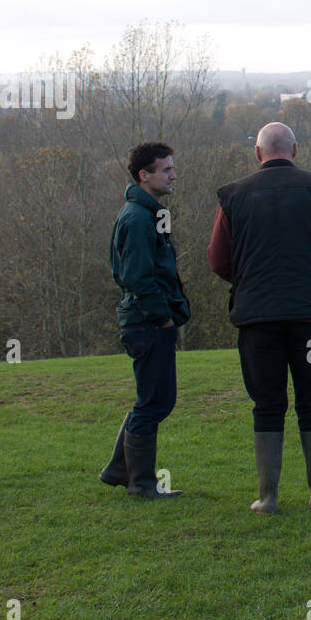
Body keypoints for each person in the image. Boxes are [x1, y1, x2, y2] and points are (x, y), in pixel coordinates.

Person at [208, 122, 311, 513]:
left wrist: (252, 281)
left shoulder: (233, 196)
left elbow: (219, 260)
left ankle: (268, 497)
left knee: (267, 403)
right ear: (295, 149)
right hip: (309, 320)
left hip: (258, 321)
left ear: (258, 153)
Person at [100, 142, 191, 498]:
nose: (173, 174)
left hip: (147, 322)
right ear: (144, 175)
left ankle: (118, 469)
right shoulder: (138, 218)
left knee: (155, 399)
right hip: (147, 324)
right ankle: (141, 483)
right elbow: (137, 277)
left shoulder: (144, 213)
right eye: (166, 169)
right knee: (154, 402)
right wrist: (163, 319)